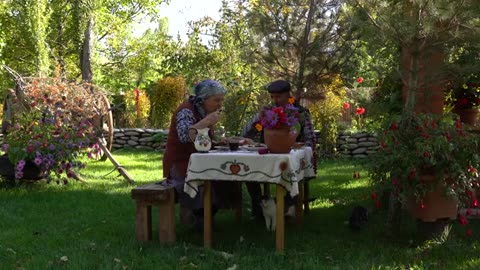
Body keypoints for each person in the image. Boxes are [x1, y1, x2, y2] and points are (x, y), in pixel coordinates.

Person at [162, 79, 240, 230]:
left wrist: (219, 142)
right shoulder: (186, 110)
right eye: (216, 100)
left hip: (197, 161)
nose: (220, 104)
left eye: (222, 100)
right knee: (211, 182)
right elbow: (184, 136)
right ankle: (198, 218)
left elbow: (203, 141)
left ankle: (203, 217)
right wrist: (206, 122)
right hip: (180, 164)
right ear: (203, 99)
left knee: (227, 179)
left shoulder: (204, 112)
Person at [241, 79, 316, 218]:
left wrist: (300, 147)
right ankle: (258, 206)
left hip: (290, 157)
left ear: (288, 95)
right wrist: (258, 117)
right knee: (248, 169)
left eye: (278, 96)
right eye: (272, 97)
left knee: (289, 170)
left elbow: (310, 139)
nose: (275, 100)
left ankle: (288, 206)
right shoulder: (268, 113)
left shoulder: (300, 112)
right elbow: (246, 134)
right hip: (268, 156)